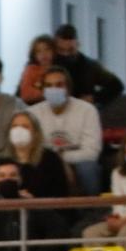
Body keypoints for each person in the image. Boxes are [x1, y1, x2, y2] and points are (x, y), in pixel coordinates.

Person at [30, 66, 103, 195]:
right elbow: (31, 151)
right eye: (49, 85)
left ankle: (92, 210)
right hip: (45, 161)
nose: (54, 89)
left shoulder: (87, 110)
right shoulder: (32, 113)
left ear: (68, 89)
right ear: (43, 91)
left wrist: (62, 158)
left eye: (59, 85)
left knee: (88, 167)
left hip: (79, 162)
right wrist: (56, 162)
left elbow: (92, 152)